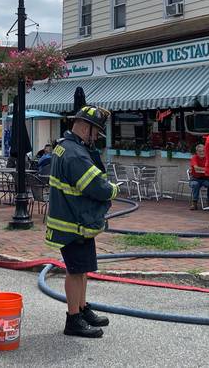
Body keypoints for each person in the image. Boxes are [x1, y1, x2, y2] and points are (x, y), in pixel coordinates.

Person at [46, 105, 118, 338]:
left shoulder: (66, 147)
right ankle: (73, 319)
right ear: (85, 128)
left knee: (82, 269)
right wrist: (113, 190)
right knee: (75, 272)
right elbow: (96, 186)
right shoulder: (75, 154)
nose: (96, 138)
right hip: (74, 223)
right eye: (95, 132)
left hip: (77, 221)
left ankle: (82, 308)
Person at [188, 144, 209, 210]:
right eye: (200, 151)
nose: (202, 153)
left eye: (203, 151)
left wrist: (205, 169)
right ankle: (194, 203)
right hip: (195, 178)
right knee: (195, 184)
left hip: (205, 178)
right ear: (197, 152)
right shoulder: (194, 158)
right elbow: (196, 168)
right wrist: (206, 169)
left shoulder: (208, 158)